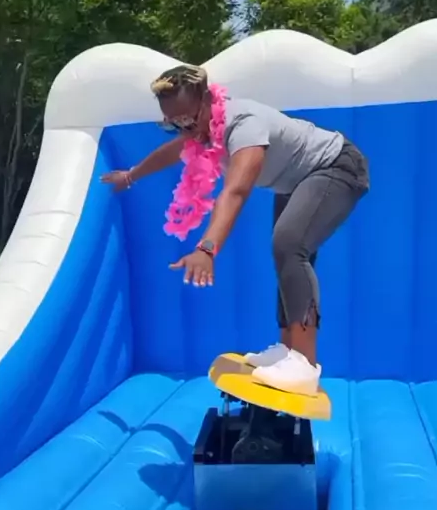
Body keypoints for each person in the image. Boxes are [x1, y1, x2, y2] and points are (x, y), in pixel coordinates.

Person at [101, 64, 369, 395]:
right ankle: (288, 348)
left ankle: (304, 363)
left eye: (188, 118)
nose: (185, 128)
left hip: (336, 166)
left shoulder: (243, 124)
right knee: (286, 255)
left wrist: (206, 248)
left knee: (289, 245)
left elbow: (236, 191)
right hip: (296, 181)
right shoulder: (200, 128)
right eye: (173, 123)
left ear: (207, 100)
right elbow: (174, 150)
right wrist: (131, 175)